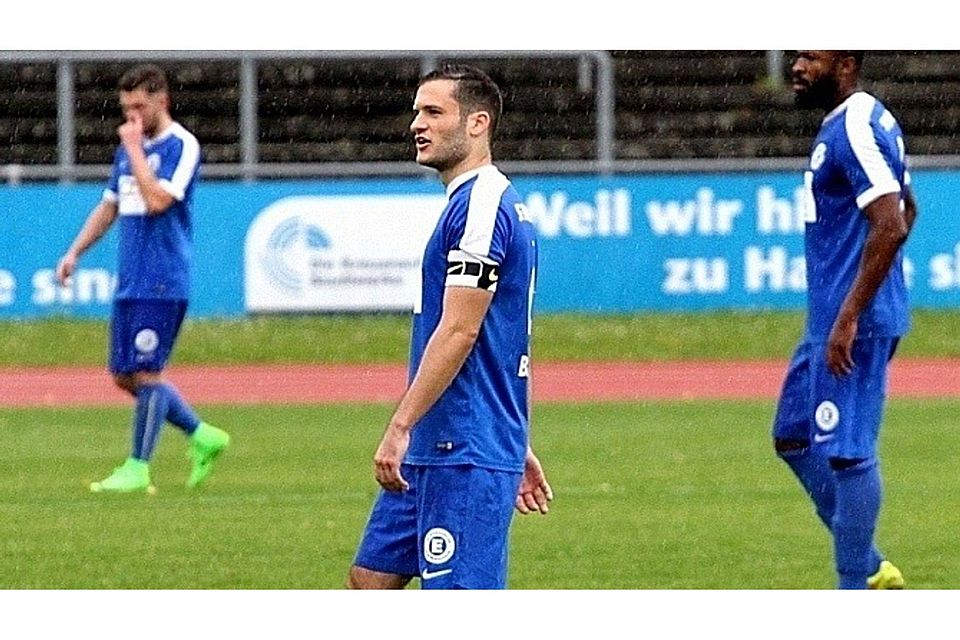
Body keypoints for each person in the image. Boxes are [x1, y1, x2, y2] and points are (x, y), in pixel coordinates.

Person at [347, 64, 552, 590]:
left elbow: (461, 331)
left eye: (434, 112)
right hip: (444, 445)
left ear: (478, 123)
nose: (418, 123)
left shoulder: (483, 206)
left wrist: (399, 426)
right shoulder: (471, 202)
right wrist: (515, 438)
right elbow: (504, 338)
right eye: (417, 112)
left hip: (460, 448)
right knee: (369, 581)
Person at [773, 51, 917, 589]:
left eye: (813, 55)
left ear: (847, 61)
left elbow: (892, 222)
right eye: (798, 54)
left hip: (850, 323)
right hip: (831, 320)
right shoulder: (851, 122)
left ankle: (853, 587)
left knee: (848, 452)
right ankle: (869, 564)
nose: (798, 65)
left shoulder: (856, 124)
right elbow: (906, 206)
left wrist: (853, 313)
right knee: (793, 435)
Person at [56, 63, 230, 494]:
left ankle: (138, 468)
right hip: (131, 279)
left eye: (139, 106)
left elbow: (156, 201)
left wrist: (134, 150)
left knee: (148, 373)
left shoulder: (180, 146)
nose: (132, 116)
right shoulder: (130, 147)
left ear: (161, 101)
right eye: (126, 107)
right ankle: (202, 434)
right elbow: (111, 205)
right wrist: (74, 252)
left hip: (163, 278)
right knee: (123, 374)